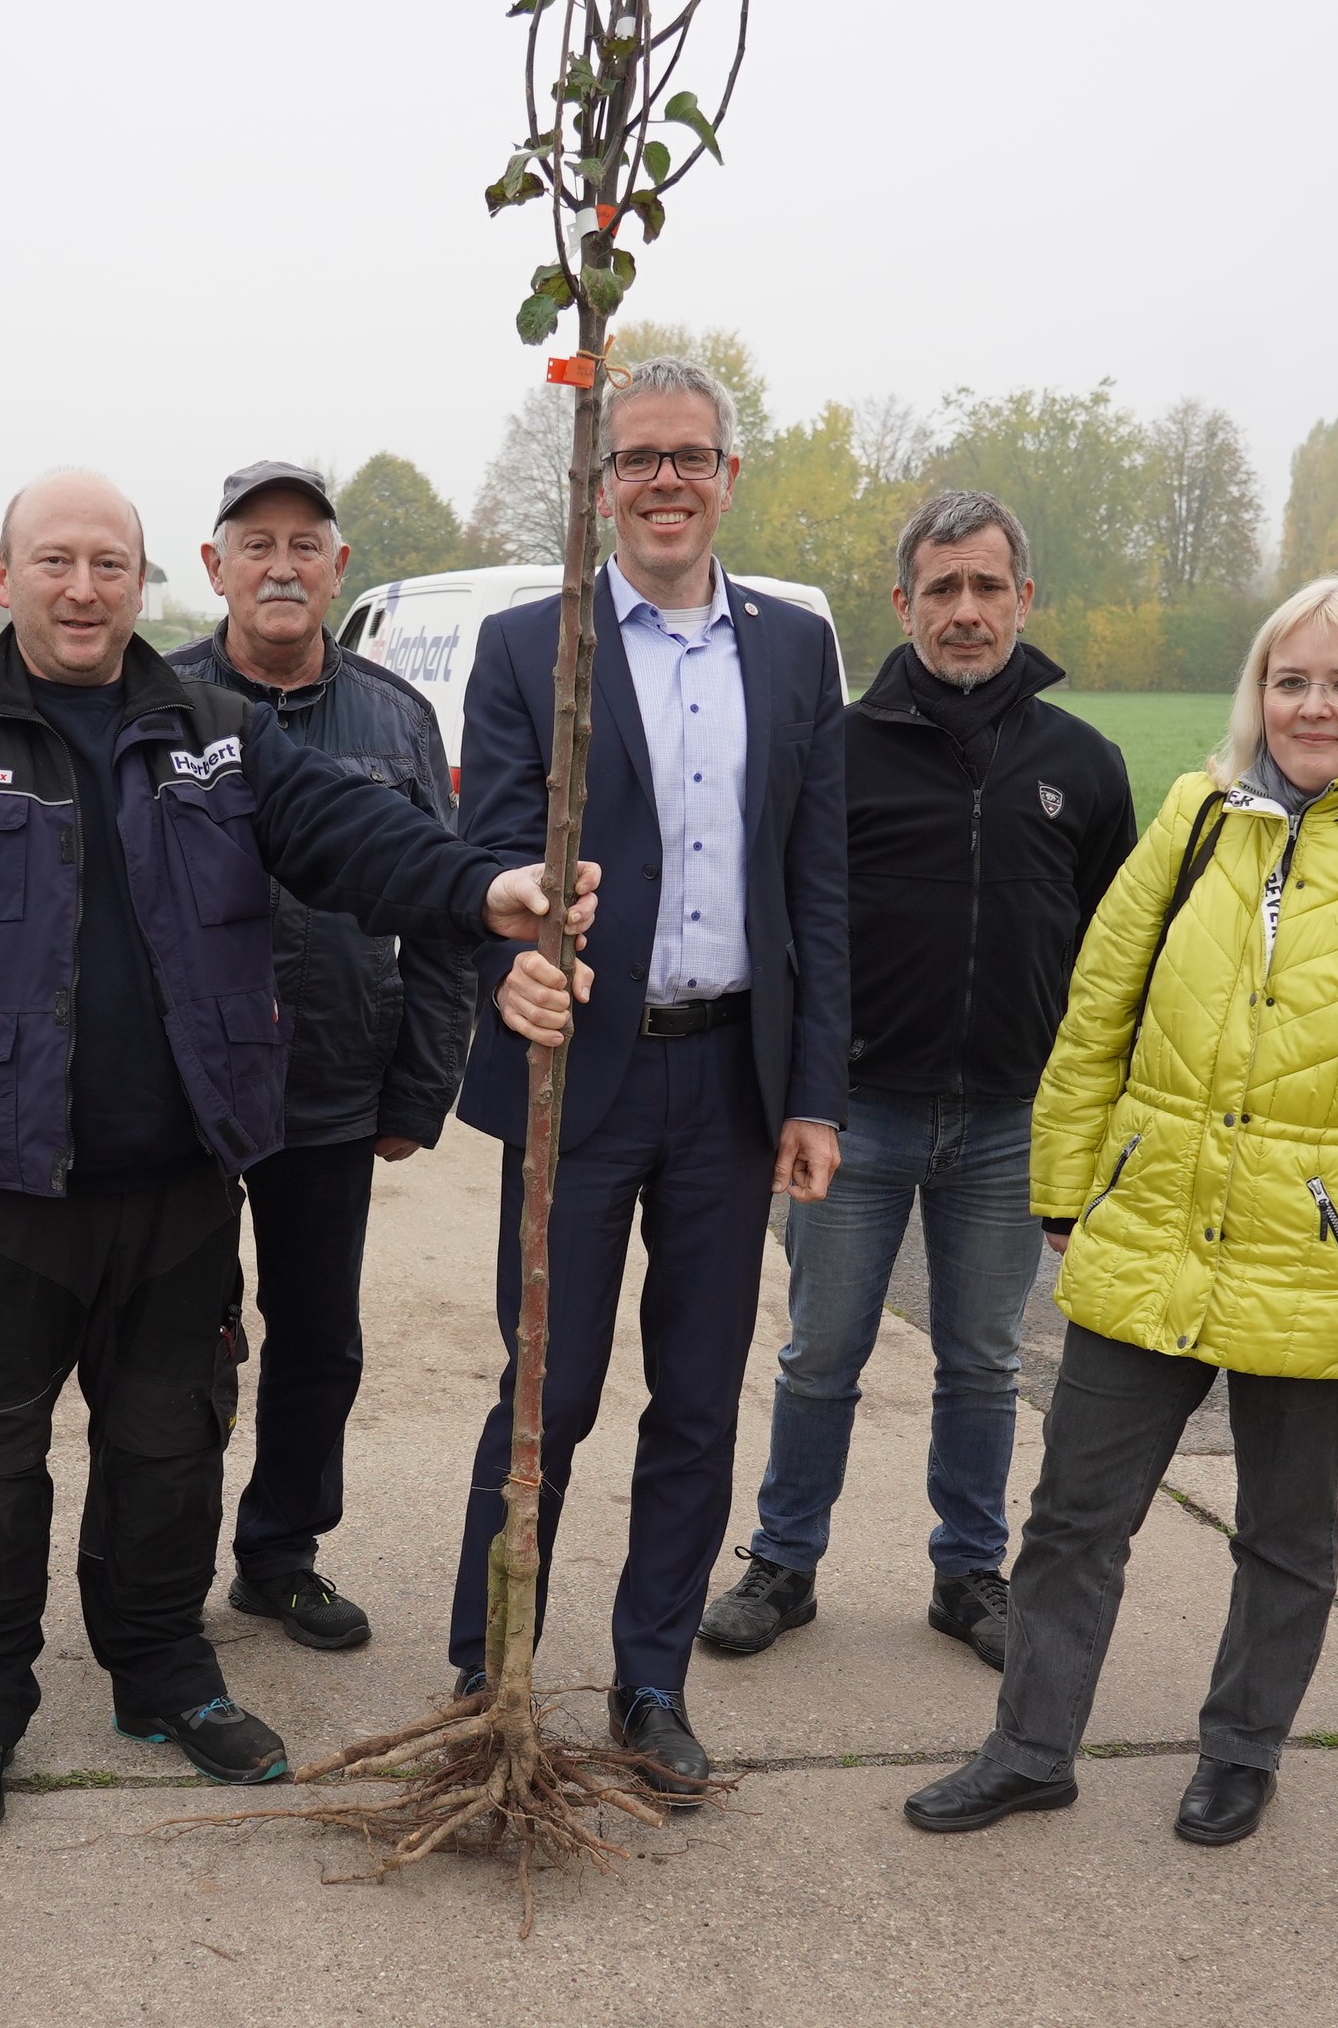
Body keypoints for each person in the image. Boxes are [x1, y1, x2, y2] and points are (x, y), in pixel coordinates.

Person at [0, 468, 594, 1836]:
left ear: (141, 582)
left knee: (170, 1446)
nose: (82, 587)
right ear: (3, 580)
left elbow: (350, 834)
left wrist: (483, 888)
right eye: (54, 561)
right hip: (7, 1186)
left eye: (109, 564)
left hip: (181, 1178)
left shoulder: (211, 734)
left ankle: (162, 1667)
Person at [905, 577, 1338, 1848]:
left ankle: (1240, 1753)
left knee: (1287, 1530)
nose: (1314, 705)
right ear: (1258, 693)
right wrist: (1071, 1188)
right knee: (1074, 1516)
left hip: (1320, 1258)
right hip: (1150, 1225)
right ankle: (1029, 1748)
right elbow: (1098, 1012)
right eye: (1290, 679)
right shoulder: (1199, 818)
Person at [442, 356, 851, 1805]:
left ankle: (651, 1678)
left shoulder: (796, 651)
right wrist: (509, 961)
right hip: (580, 1076)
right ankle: (486, 1668)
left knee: (696, 1394)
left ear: (730, 476)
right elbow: (480, 851)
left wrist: (813, 1094)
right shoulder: (525, 645)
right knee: (547, 1384)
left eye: (691, 455)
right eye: (637, 459)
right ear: (599, 483)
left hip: (730, 1086)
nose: (665, 479)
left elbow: (817, 881)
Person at [699, 490, 1134, 1671]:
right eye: (940, 588)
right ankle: (783, 1562)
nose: (965, 611)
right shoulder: (835, 751)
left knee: (985, 1360)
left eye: (988, 586)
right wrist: (802, 1090)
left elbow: (1115, 954)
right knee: (820, 1349)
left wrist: (1093, 1127)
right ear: (901, 604)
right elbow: (789, 929)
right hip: (855, 1112)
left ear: (1024, 599)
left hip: (1008, 1121)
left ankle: (969, 1573)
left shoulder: (1081, 765)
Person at [163, 460, 473, 1652]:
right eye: (255, 542)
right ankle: (164, 1558)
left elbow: (447, 911)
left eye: (306, 543)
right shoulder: (161, 700)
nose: (281, 563)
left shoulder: (396, 717)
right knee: (177, 1337)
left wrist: (422, 1083)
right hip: (183, 1092)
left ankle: (280, 1552)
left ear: (340, 569)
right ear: (216, 566)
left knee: (318, 1337)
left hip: (336, 1087)